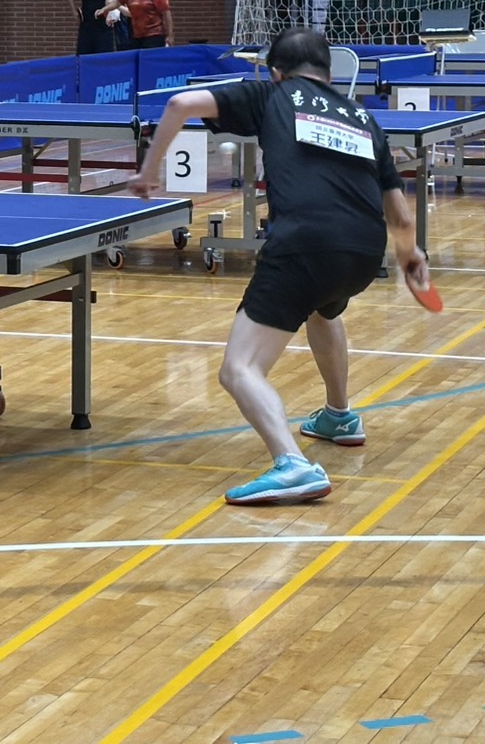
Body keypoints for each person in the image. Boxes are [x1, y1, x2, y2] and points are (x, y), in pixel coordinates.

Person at [128, 27, 426, 506]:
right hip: (363, 252)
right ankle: (339, 415)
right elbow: (401, 215)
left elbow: (180, 104)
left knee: (239, 368)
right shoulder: (363, 118)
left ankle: (292, 464)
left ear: (275, 72)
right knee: (323, 309)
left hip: (305, 243)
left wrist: (147, 173)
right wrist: (410, 256)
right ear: (330, 74)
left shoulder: (272, 95)